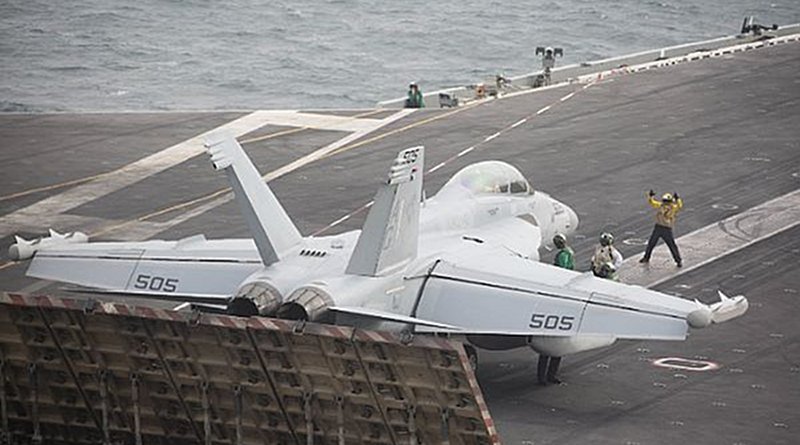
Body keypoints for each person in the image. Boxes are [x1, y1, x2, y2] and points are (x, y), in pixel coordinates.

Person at [538, 233, 574, 385]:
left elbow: (562, 269)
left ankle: (544, 377)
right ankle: (549, 376)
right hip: (559, 315)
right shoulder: (569, 252)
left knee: (547, 352)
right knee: (554, 352)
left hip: (553, 318)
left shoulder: (563, 255)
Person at [640, 190, 683, 267]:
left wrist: (678, 199)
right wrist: (651, 196)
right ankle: (646, 257)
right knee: (652, 243)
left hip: (665, 228)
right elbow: (652, 202)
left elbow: (652, 202)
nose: (666, 203)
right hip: (660, 227)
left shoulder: (668, 207)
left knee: (671, 245)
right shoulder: (666, 206)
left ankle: (678, 260)